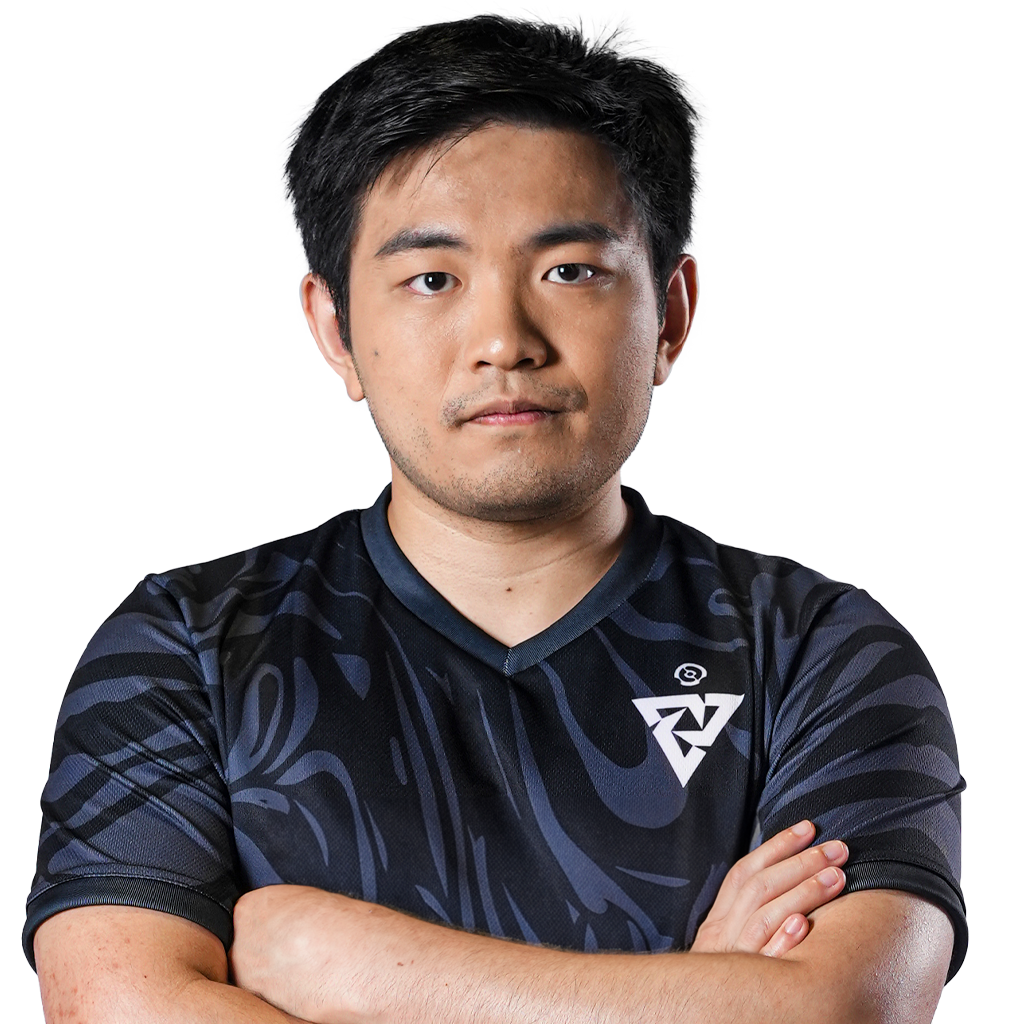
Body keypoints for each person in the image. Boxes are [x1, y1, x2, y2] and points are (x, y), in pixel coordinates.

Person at [25, 12, 966, 1023]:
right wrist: (702, 997)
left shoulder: (818, 651)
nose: (503, 340)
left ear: (671, 315)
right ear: (335, 329)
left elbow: (844, 1009)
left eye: (570, 271)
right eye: (432, 279)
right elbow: (116, 1006)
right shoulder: (185, 648)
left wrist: (352, 967)